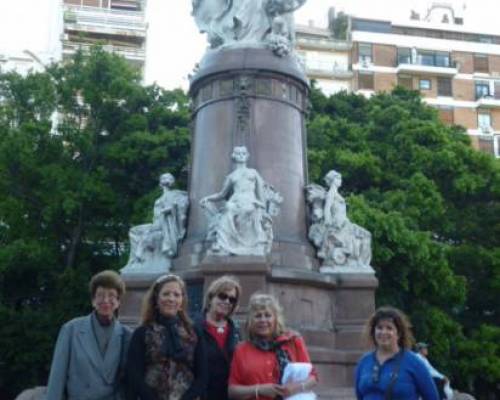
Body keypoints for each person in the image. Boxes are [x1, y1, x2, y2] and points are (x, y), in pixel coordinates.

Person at [45, 270, 131, 400]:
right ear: (93, 300)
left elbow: (128, 380)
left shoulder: (127, 335)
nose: (106, 300)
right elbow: (57, 376)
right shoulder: (71, 330)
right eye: (100, 295)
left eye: (112, 295)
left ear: (118, 302)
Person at [126, 274, 207, 400]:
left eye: (176, 295)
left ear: (181, 302)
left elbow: (203, 375)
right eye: (166, 294)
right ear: (156, 300)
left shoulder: (193, 332)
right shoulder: (142, 333)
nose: (171, 299)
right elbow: (133, 374)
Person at [228, 293, 317, 399]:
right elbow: (232, 390)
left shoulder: (293, 341)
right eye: (258, 316)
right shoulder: (241, 350)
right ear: (251, 321)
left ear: (276, 318)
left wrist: (295, 388)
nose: (263, 320)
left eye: (268, 315)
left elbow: (313, 377)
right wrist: (259, 390)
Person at [200, 146, 281, 256]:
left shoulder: (253, 172)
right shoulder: (231, 176)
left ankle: (252, 245)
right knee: (228, 209)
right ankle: (222, 244)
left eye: (243, 153)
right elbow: (222, 194)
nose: (241, 156)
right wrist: (208, 198)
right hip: (236, 201)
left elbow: (260, 191)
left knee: (250, 209)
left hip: (250, 201)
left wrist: (262, 208)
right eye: (238, 153)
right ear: (234, 156)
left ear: (247, 156)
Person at [355, 307, 439, 400]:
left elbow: (432, 397)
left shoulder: (414, 363)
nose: (383, 332)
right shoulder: (364, 362)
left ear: (398, 333)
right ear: (373, 331)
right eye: (379, 328)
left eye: (389, 328)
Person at [194, 275, 242, 400]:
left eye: (232, 299)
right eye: (222, 296)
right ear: (210, 298)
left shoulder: (236, 331)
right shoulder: (193, 326)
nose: (227, 301)